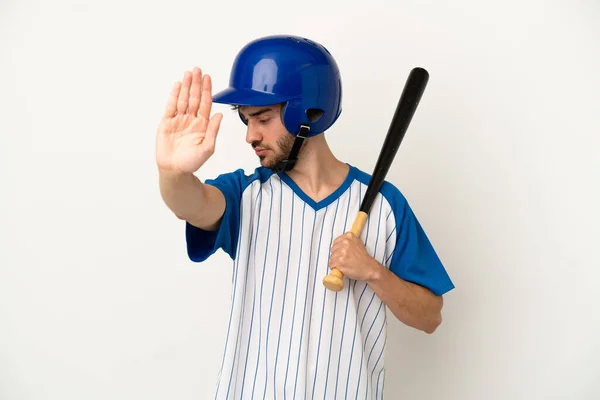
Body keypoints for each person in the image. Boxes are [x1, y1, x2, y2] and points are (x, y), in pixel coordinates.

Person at [156, 35, 454, 399]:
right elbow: (191, 203)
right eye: (246, 120)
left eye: (263, 118)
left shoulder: (384, 204)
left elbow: (429, 317)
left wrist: (373, 272)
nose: (251, 135)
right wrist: (172, 173)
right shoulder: (247, 193)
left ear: (309, 112)